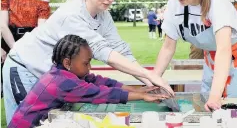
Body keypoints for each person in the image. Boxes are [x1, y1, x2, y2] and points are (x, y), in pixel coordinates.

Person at [3, 0, 173, 123]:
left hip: (53, 76)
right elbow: (103, 51)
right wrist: (150, 74)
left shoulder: (104, 15)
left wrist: (151, 83)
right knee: (27, 122)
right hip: (24, 66)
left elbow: (121, 50)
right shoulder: (72, 14)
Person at [8, 35, 168, 128]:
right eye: (86, 63)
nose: (90, 67)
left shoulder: (63, 72)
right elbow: (100, 94)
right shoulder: (63, 83)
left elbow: (100, 81)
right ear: (67, 62)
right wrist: (140, 96)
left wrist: (137, 90)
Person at [1, 0, 50, 97]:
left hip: (32, 41)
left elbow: (41, 28)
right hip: (9, 39)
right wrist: (15, 50)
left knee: (33, 85)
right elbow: (2, 26)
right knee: (6, 85)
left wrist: (29, 51)